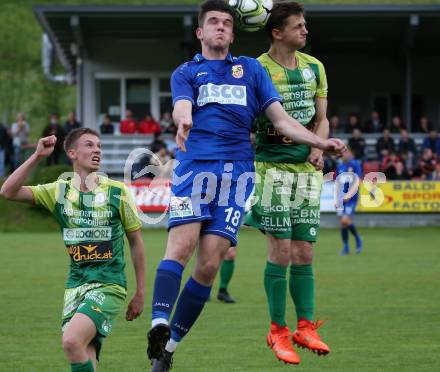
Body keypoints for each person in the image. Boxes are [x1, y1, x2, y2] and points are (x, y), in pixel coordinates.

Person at [146, 1, 346, 371]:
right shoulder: (187, 71)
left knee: (208, 267)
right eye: (213, 23)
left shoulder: (251, 70)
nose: (220, 27)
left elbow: (282, 120)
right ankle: (158, 322)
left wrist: (320, 143)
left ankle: (169, 348)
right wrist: (184, 120)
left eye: (226, 23)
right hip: (196, 170)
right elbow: (182, 106)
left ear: (234, 33)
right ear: (200, 33)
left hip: (238, 176)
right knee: (182, 246)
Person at [0, 128, 146, 372]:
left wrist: (140, 292)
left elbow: (136, 242)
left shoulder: (117, 192)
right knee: (84, 354)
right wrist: (37, 156)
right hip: (75, 286)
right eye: (89, 145)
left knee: (71, 340)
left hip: (109, 285)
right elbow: (7, 192)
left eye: (99, 145)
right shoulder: (59, 191)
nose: (97, 149)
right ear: (72, 153)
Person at [244, 1, 336, 365]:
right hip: (271, 167)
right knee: (279, 252)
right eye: (298, 26)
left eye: (305, 24)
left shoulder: (315, 67)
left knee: (305, 253)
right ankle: (277, 330)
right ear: (277, 32)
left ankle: (305, 326)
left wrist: (319, 148)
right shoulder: (256, 69)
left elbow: (323, 119)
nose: (306, 30)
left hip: (307, 171)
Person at [335, 148, 363, 255]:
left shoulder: (355, 164)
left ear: (351, 154)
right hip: (342, 199)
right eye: (342, 152)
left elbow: (358, 180)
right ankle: (346, 247)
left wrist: (349, 194)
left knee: (344, 221)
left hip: (352, 198)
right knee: (344, 224)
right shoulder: (340, 167)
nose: (344, 154)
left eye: (346, 152)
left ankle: (357, 239)